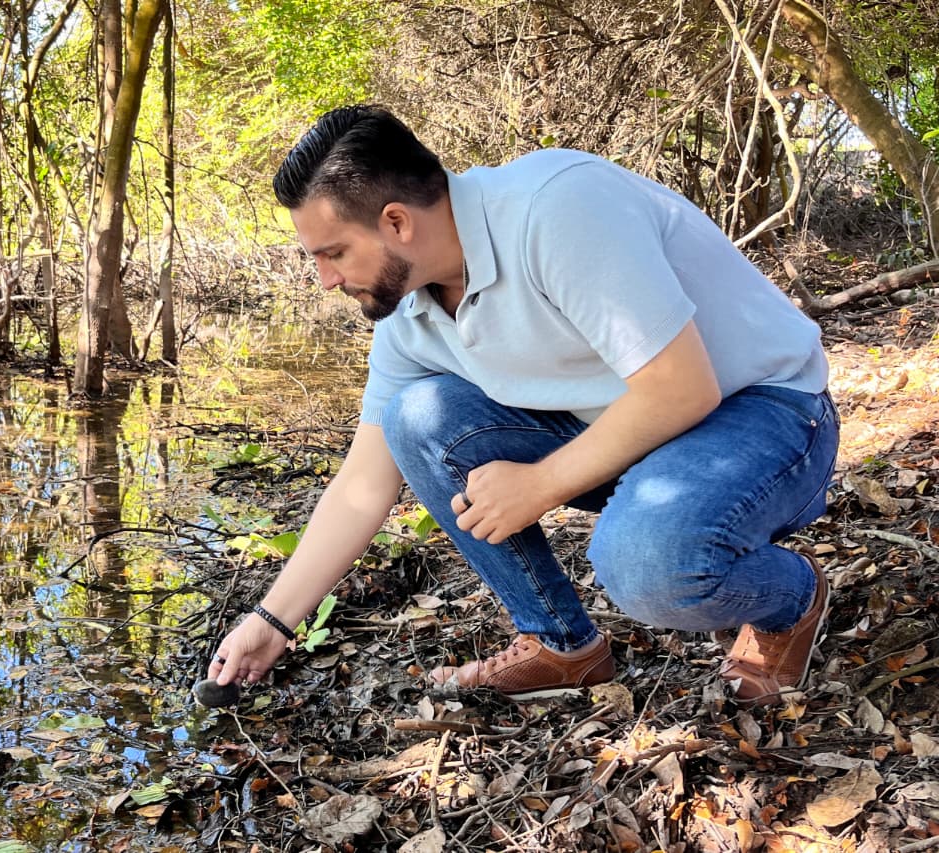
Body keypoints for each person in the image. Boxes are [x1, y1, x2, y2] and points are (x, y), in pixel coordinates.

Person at [207, 105, 839, 707]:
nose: (325, 280)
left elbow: (682, 388)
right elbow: (362, 485)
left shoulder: (557, 208)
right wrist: (272, 620)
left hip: (767, 416)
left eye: (333, 253)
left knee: (648, 568)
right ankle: (563, 645)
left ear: (397, 222)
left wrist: (540, 484)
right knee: (416, 415)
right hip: (635, 436)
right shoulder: (410, 316)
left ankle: (792, 599)